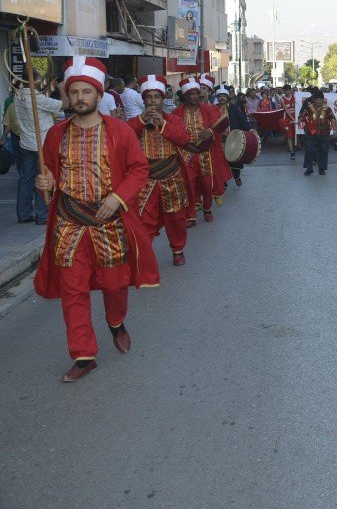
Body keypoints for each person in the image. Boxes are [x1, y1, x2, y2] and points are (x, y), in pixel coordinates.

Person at [33, 57, 159, 383]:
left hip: (109, 222)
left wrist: (117, 198)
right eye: (74, 92)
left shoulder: (119, 131)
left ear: (99, 94)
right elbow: (49, 172)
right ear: (68, 95)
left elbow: (138, 169)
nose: (79, 97)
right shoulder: (56, 134)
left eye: (86, 91)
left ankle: (115, 322)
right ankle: (84, 355)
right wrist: (45, 181)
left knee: (115, 285)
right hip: (69, 223)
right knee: (73, 291)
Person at [126, 75, 191, 266]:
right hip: (146, 178)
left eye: (156, 97)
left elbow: (183, 139)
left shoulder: (174, 120)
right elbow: (125, 138)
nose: (153, 101)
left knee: (175, 218)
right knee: (143, 219)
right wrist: (141, 121)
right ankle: (144, 256)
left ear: (163, 99)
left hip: (171, 175)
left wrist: (162, 123)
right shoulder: (135, 121)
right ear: (144, 100)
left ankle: (178, 250)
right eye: (149, 97)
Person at [13, 76, 67, 225]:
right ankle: (42, 215)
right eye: (40, 79)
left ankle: (23, 214)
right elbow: (65, 104)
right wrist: (61, 88)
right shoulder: (37, 98)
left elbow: (40, 100)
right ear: (35, 81)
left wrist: (48, 88)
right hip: (41, 145)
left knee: (25, 180)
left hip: (26, 144)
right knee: (43, 179)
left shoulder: (18, 95)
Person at [178, 77, 231, 224]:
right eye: (191, 94)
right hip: (187, 155)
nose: (195, 96)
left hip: (205, 154)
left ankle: (207, 209)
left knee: (208, 185)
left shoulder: (209, 109)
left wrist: (211, 131)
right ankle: (191, 216)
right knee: (189, 185)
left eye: (197, 93)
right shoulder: (177, 112)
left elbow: (222, 124)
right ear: (185, 96)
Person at [216, 87, 251, 187]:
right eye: (220, 96)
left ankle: (236, 177)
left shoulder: (233, 108)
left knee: (234, 161)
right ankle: (223, 182)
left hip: (233, 138)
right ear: (217, 97)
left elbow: (242, 120)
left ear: (227, 97)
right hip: (218, 140)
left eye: (224, 96)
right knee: (220, 162)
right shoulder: (213, 109)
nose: (222, 98)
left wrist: (248, 130)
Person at [299, 89, 337, 176]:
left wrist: (335, 130)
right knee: (309, 150)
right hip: (311, 134)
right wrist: (301, 119)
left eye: (320, 99)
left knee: (323, 151)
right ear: (314, 100)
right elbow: (303, 116)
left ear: (323, 100)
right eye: (316, 99)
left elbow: (332, 119)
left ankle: (322, 168)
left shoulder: (327, 109)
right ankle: (309, 168)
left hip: (324, 133)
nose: (318, 101)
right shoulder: (309, 108)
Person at [280, 84, 297, 160]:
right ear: (284, 91)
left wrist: (296, 119)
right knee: (289, 136)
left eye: (288, 90)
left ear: (290, 90)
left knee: (294, 136)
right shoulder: (282, 99)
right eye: (285, 91)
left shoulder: (295, 97)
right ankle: (292, 153)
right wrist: (293, 119)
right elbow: (286, 111)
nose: (287, 92)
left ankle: (293, 148)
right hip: (287, 120)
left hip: (295, 119)